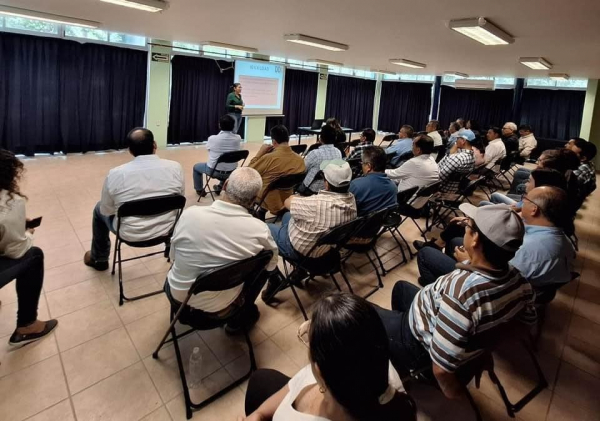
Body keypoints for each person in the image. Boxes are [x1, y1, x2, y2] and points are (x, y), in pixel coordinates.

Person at [375, 204, 536, 399]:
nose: (465, 228)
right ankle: (398, 352)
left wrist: (454, 391)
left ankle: (405, 359)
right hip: (433, 315)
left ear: (475, 239)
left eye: (468, 226)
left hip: (419, 345)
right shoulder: (521, 282)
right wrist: (485, 345)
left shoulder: (460, 294)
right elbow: (526, 324)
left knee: (363, 314)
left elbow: (442, 370)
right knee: (401, 288)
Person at [241, 293, 417, 421]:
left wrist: (258, 415)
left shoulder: (288, 416)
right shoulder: (382, 375)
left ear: (320, 372)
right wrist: (258, 414)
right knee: (261, 379)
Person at [165, 168, 279, 333]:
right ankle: (240, 317)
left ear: (225, 185)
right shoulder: (260, 230)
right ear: (255, 199)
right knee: (264, 264)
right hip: (226, 305)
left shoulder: (189, 216)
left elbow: (173, 257)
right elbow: (271, 266)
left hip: (181, 302)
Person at [417, 188, 575, 290]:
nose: (522, 201)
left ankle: (439, 288)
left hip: (488, 287)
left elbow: (497, 278)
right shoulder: (558, 237)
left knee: (426, 254)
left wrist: (469, 261)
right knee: (454, 242)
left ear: (534, 209)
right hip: (521, 284)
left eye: (525, 198)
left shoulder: (529, 248)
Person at [83, 128, 185, 271]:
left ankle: (99, 259)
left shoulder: (116, 174)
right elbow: (179, 201)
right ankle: (169, 247)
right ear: (154, 145)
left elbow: (107, 210)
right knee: (168, 205)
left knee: (98, 209)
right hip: (167, 229)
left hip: (129, 234)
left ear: (130, 150)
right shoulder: (176, 168)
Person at [263, 160, 357, 301]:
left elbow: (287, 202)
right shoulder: (351, 200)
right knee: (288, 216)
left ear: (326, 183)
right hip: (325, 250)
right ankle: (299, 271)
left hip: (302, 253)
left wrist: (297, 198)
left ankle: (274, 277)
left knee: (263, 229)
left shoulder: (316, 204)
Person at [0, 149, 58, 346]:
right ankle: (27, 325)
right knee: (34, 256)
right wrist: (26, 233)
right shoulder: (9, 203)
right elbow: (15, 251)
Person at [249, 125, 306, 218]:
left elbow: (249, 171)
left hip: (267, 199)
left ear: (274, 142)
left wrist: (260, 153)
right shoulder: (300, 160)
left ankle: (254, 213)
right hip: (288, 199)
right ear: (288, 139)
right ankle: (261, 212)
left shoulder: (268, 158)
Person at [192, 114, 242, 196]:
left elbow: (208, 149)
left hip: (213, 172)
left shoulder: (212, 138)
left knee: (196, 167)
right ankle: (219, 187)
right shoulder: (238, 138)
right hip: (231, 172)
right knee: (227, 161)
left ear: (219, 125)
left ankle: (199, 190)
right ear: (233, 126)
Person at [481, 167, 567, 207]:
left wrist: (509, 209)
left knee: (483, 204)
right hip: (518, 206)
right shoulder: (542, 197)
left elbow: (520, 216)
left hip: (515, 215)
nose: (525, 184)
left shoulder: (538, 204)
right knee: (495, 195)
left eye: (529, 181)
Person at [349, 147, 397, 216]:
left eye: (362, 163)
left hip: (360, 225)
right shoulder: (393, 187)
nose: (362, 166)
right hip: (377, 224)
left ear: (369, 166)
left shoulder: (356, 185)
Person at [299, 125, 342, 195]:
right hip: (330, 188)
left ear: (320, 138)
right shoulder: (338, 152)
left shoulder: (315, 153)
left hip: (312, 190)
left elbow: (303, 170)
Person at [437, 129, 476, 193]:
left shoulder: (457, 158)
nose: (456, 141)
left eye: (457, 139)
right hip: (455, 188)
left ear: (463, 141)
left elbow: (439, 177)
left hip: (443, 189)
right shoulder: (472, 156)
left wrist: (449, 154)